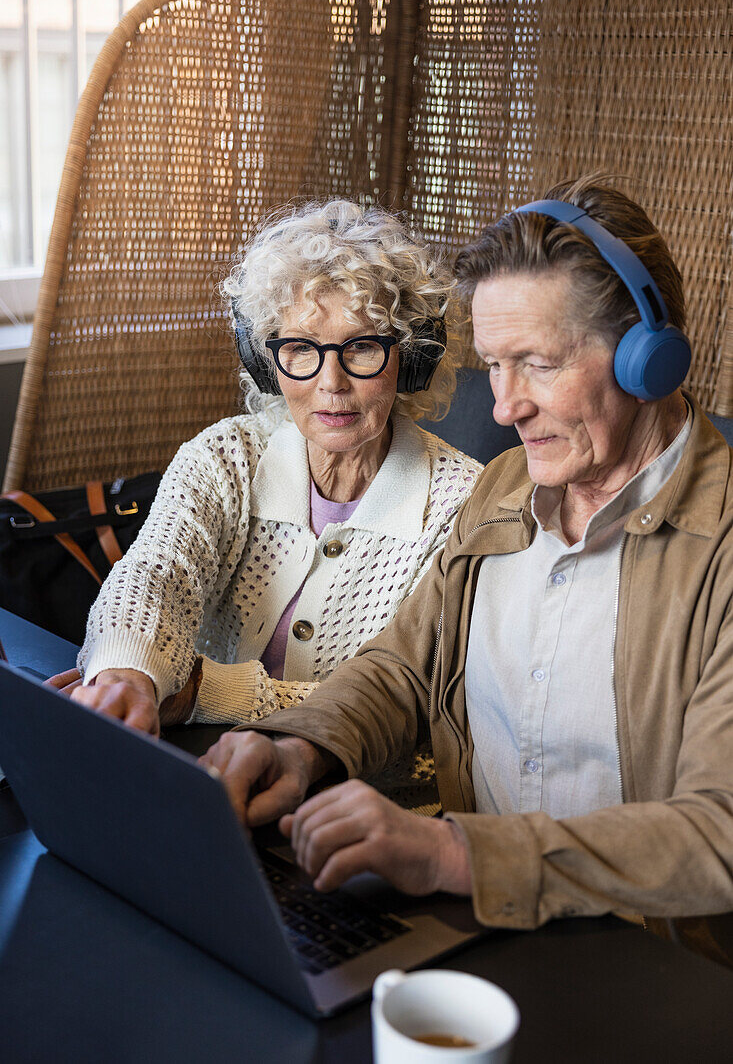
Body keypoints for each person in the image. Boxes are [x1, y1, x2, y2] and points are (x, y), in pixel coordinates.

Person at [200, 176, 733, 965]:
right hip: (486, 934)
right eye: (493, 366)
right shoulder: (506, 487)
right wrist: (296, 748)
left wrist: (455, 855)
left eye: (535, 363)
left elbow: (718, 830)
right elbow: (402, 670)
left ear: (647, 358)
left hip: (656, 974)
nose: (502, 408)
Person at [53, 200, 481, 805]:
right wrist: (128, 671)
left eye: (360, 348)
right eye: (300, 348)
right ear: (266, 358)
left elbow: (419, 707)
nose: (330, 383)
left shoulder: (463, 504)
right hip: (200, 781)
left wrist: (205, 692)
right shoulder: (226, 457)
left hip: (363, 814)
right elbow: (155, 575)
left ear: (407, 359)